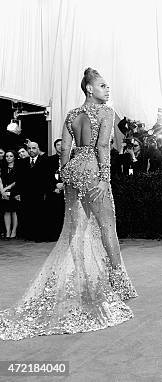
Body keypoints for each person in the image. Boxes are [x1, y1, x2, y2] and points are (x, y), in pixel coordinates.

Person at [0, 67, 137, 341]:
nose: (107, 90)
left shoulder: (72, 114)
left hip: (73, 169)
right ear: (89, 88)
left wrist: (64, 174)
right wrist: (104, 180)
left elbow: (64, 149)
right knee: (107, 226)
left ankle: (84, 277)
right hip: (92, 170)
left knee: (76, 228)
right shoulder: (106, 113)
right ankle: (119, 284)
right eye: (102, 86)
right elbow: (101, 148)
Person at [0, 150, 19, 239]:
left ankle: (14, 231)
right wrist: (2, 191)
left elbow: (17, 181)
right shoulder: (3, 167)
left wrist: (6, 188)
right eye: (7, 156)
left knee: (14, 211)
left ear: (14, 157)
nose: (8, 158)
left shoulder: (18, 167)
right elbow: (0, 180)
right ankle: (7, 231)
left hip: (15, 191)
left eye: (11, 156)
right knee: (6, 211)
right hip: (4, 192)